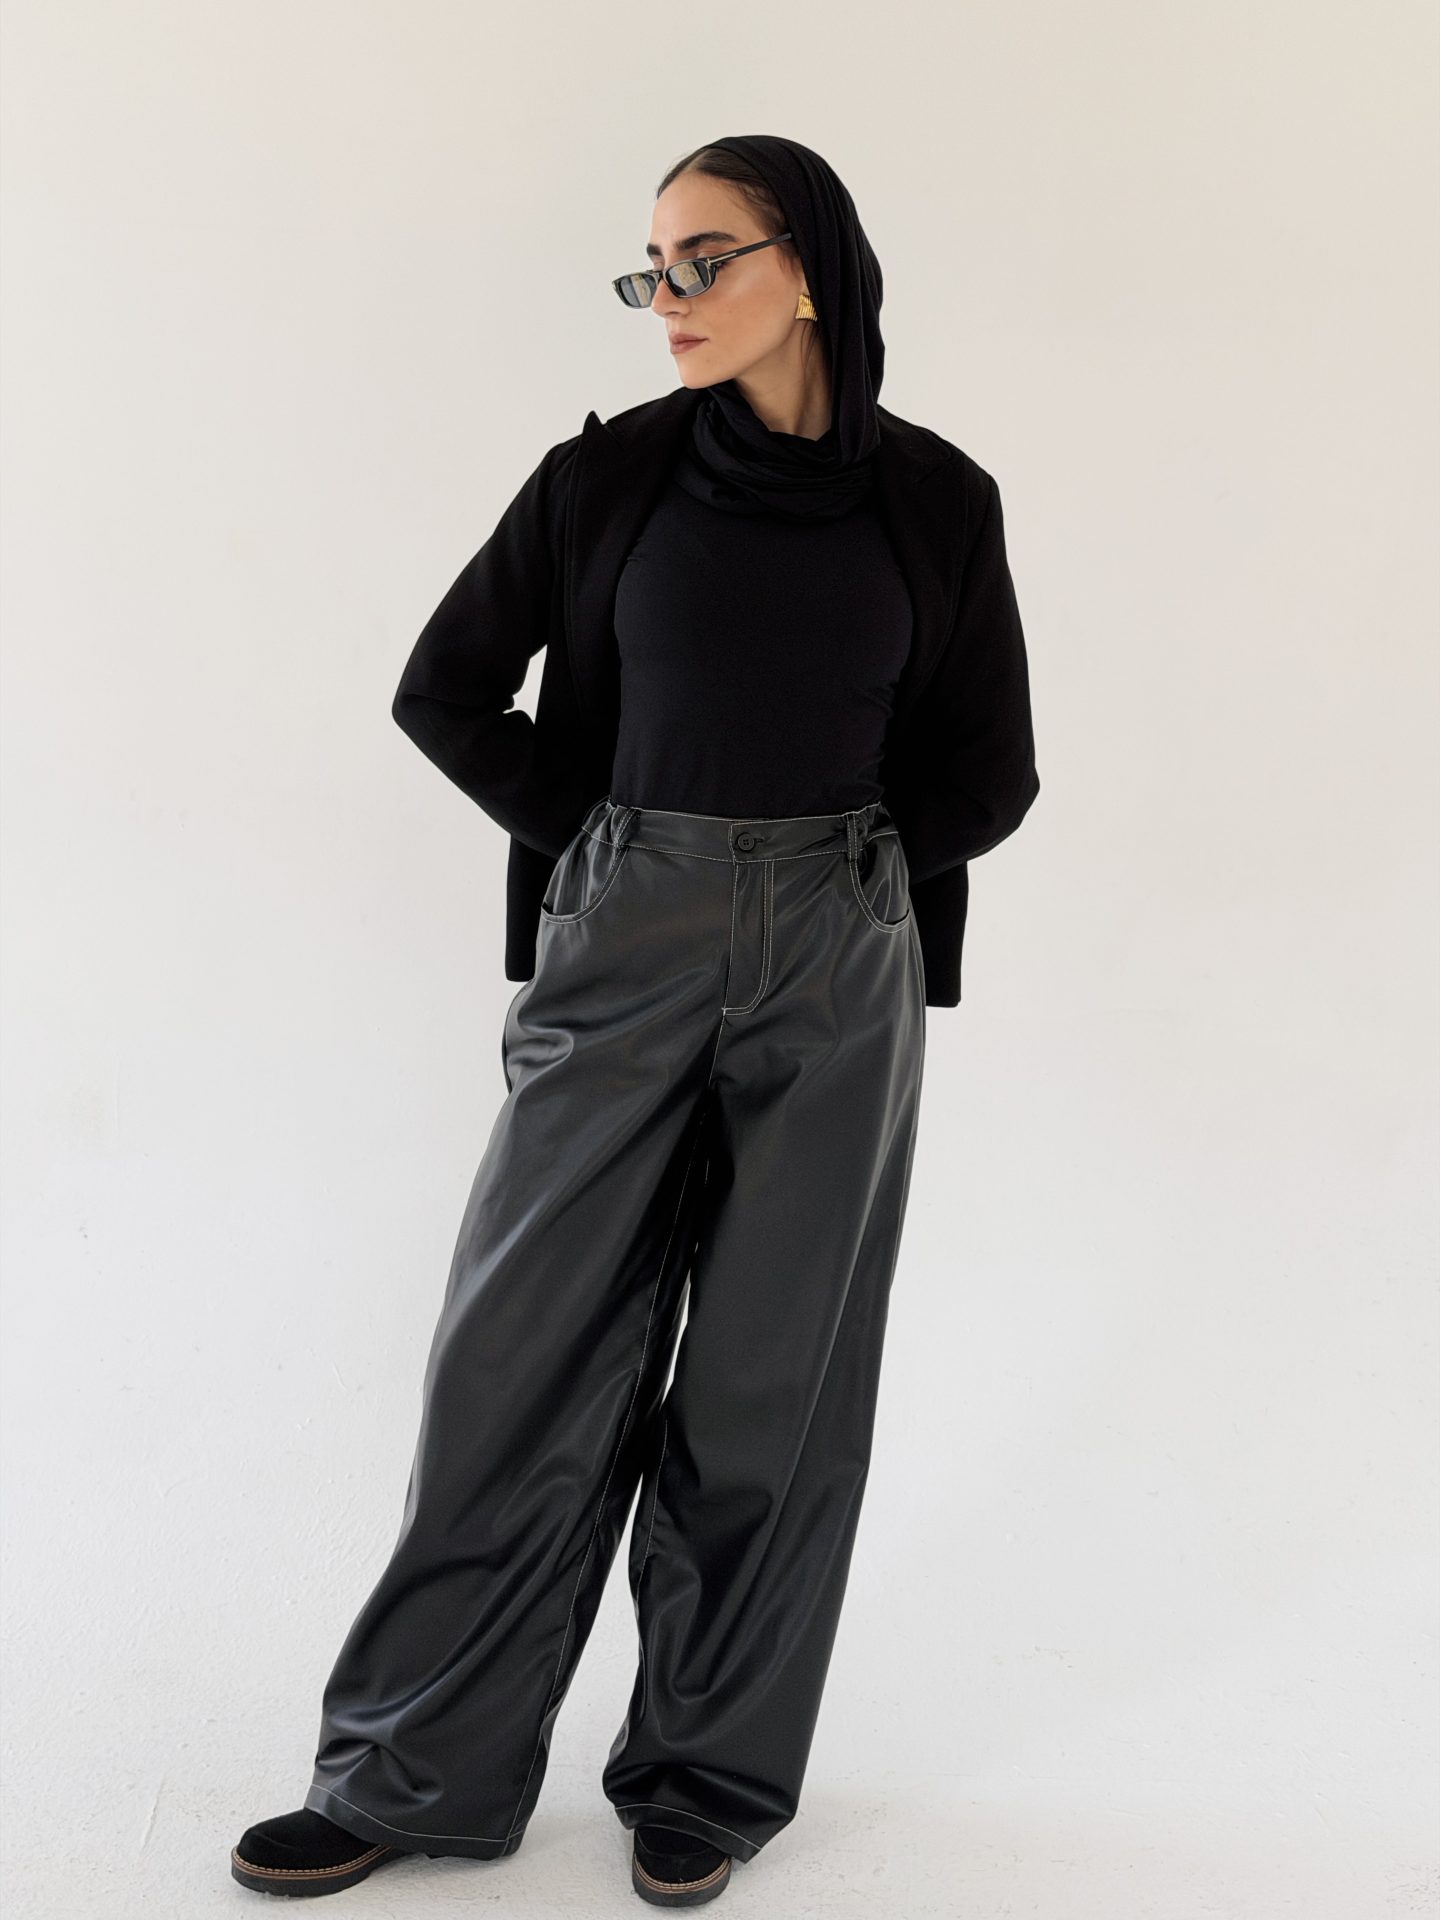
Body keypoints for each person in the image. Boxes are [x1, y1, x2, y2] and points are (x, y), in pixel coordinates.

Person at [230, 133, 1039, 1906]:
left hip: (838, 955)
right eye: (650, 269)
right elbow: (444, 689)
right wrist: (596, 842)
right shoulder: (604, 486)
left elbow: (993, 767)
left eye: (702, 260)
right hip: (625, 935)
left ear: (807, 267)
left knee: (772, 1389)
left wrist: (862, 872)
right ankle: (411, 1775)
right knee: (515, 1362)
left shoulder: (939, 500)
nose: (666, 298)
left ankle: (704, 1781)